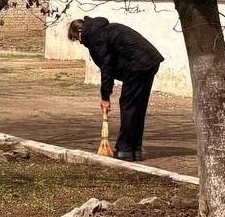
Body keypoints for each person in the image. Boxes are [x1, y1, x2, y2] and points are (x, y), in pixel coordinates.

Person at [67, 17, 164, 161]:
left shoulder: (96, 37)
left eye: (77, 38)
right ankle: (135, 149)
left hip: (138, 65)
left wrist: (105, 97)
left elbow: (107, 69)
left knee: (129, 105)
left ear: (80, 31)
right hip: (150, 61)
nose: (80, 42)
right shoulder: (104, 30)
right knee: (138, 106)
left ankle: (125, 149)